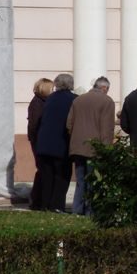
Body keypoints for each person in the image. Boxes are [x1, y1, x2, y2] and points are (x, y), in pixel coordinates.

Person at [66, 76, 115, 216]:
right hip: (95, 148)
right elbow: (107, 128)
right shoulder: (107, 101)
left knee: (80, 180)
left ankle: (77, 209)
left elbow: (69, 124)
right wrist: (106, 150)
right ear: (104, 88)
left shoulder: (78, 99)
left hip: (77, 146)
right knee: (93, 180)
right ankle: (91, 211)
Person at [35, 73, 77, 213]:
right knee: (62, 176)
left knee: (47, 176)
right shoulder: (74, 99)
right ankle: (57, 206)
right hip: (61, 144)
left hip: (44, 143)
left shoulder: (50, 98)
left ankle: (45, 204)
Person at [26, 77, 54, 210]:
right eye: (51, 88)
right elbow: (35, 124)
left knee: (43, 170)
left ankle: (38, 199)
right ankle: (36, 199)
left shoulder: (42, 101)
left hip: (39, 140)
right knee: (43, 170)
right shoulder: (37, 103)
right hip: (39, 141)